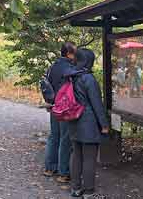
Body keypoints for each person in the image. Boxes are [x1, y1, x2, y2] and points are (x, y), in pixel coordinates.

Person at [67, 48, 109, 198]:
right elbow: (97, 104)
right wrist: (104, 125)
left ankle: (75, 188)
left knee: (76, 154)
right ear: (88, 61)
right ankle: (89, 192)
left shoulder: (70, 76)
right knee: (89, 157)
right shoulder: (88, 79)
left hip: (73, 119)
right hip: (89, 123)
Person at [44, 42, 76, 183]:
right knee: (65, 139)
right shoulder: (70, 68)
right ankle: (63, 173)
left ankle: (50, 168)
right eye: (75, 53)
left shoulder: (53, 66)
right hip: (65, 108)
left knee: (54, 136)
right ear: (69, 53)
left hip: (53, 106)